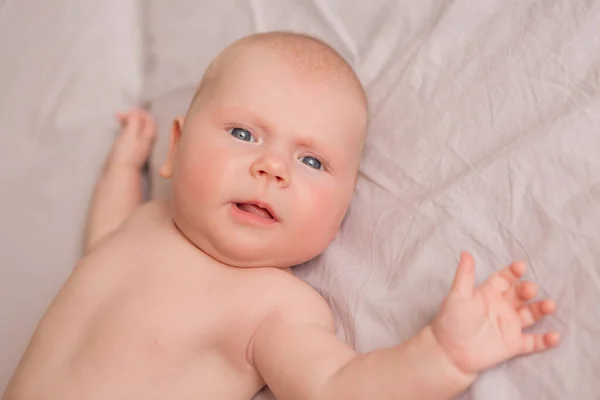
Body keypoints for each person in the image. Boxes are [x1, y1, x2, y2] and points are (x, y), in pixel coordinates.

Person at [2, 31, 560, 400]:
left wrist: (441, 355)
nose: (272, 167)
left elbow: (338, 386)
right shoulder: (147, 223)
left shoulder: (274, 307)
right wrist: (125, 164)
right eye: (244, 133)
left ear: (344, 211)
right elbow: (104, 238)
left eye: (312, 160)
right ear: (175, 151)